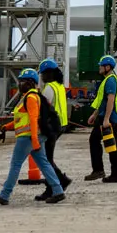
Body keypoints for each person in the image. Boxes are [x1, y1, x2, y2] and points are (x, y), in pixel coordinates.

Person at [0, 68, 64, 206]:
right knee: (44, 164)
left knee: (15, 165)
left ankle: (4, 195)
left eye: (24, 81)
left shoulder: (30, 97)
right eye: (20, 81)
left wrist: (34, 139)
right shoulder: (29, 97)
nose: (21, 83)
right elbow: (23, 119)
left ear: (31, 82)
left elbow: (34, 119)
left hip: (27, 138)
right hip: (31, 137)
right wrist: (7, 126)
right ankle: (58, 191)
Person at [36, 57, 74, 198]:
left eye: (44, 74)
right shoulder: (59, 87)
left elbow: (43, 109)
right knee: (47, 159)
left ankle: (56, 184)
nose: (42, 76)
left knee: (46, 160)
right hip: (61, 125)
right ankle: (56, 184)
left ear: (50, 73)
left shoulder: (49, 88)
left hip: (51, 128)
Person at [85, 54, 117, 183]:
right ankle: (114, 174)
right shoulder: (107, 80)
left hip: (109, 118)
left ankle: (102, 171)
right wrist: (94, 115)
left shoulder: (111, 80)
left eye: (101, 66)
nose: (99, 68)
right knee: (111, 145)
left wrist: (106, 119)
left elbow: (110, 101)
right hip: (105, 117)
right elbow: (102, 101)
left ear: (107, 67)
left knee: (99, 142)